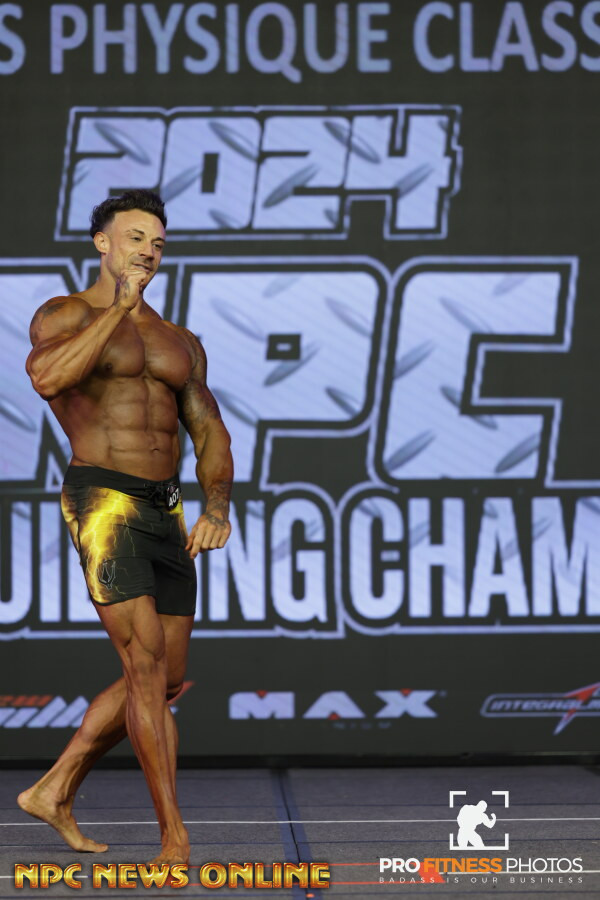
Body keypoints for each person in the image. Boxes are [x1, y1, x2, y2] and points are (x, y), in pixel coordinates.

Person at [19, 189, 233, 865]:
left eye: (158, 243)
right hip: (104, 501)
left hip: (166, 508)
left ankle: (54, 789)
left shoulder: (179, 341)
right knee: (142, 668)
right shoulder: (65, 314)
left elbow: (208, 426)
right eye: (136, 238)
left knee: (167, 678)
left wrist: (217, 506)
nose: (148, 252)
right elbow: (47, 378)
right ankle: (174, 838)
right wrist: (117, 307)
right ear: (102, 243)